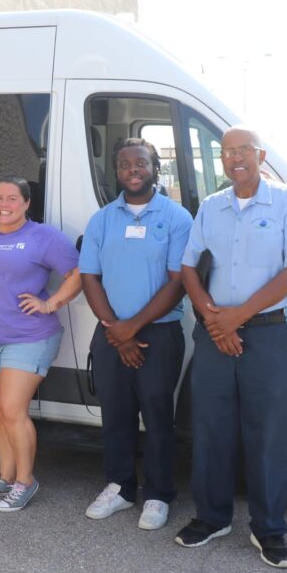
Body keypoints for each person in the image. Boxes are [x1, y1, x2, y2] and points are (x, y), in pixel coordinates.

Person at [176, 125, 287, 568]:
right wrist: (214, 319)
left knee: (267, 433)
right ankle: (213, 517)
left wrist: (236, 317)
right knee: (211, 427)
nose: (234, 158)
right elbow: (188, 267)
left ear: (260, 155)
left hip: (269, 333)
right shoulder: (212, 207)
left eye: (243, 151)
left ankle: (269, 528)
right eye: (226, 152)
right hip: (216, 332)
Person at [79, 139, 192, 529]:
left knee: (158, 414)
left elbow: (178, 282)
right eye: (125, 163)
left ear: (155, 167)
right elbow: (89, 277)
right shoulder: (103, 220)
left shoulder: (177, 218)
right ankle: (121, 487)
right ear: (117, 170)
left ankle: (158, 494)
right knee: (116, 414)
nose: (133, 168)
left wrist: (133, 328)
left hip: (158, 335)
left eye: (141, 162)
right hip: (111, 335)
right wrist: (117, 331)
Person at [0, 176, 81, 511]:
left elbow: (79, 274)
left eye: (12, 198)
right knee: (2, 412)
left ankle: (25, 481)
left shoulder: (44, 237)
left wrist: (50, 303)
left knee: (14, 410)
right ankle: (5, 475)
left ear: (27, 203)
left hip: (29, 336)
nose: (4, 204)